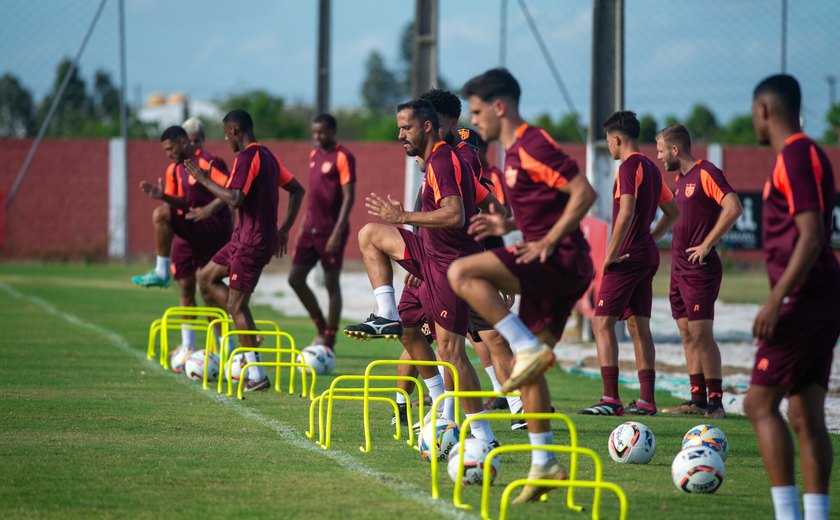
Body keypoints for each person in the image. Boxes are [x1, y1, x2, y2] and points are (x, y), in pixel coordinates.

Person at [449, 67, 597, 504]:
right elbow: (544, 205)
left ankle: (524, 344)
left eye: (476, 113)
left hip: (560, 260)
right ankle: (545, 463)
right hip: (555, 266)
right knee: (526, 370)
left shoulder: (533, 143)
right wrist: (507, 221)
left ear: (500, 107)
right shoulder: (511, 155)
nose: (474, 123)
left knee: (461, 273)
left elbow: (583, 193)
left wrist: (548, 240)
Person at [343, 98, 498, 446]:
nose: (400, 134)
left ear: (427, 126)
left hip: (451, 265)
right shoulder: (433, 162)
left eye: (406, 127)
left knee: (452, 352)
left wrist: (404, 218)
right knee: (369, 234)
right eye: (399, 127)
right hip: (430, 254)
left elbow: (455, 215)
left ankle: (483, 436)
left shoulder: (444, 160)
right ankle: (386, 314)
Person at [744, 74, 839, 520]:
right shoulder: (799, 154)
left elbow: (811, 234)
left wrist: (776, 299)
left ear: (763, 110)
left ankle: (788, 514)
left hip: (805, 298)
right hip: (818, 297)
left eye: (752, 111)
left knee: (758, 403)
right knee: (804, 414)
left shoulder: (797, 154)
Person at [185, 109, 306, 392]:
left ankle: (257, 375)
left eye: (226, 134)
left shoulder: (248, 157)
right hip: (243, 238)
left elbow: (236, 199)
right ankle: (245, 328)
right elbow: (297, 190)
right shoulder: (269, 157)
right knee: (205, 278)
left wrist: (203, 180)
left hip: (252, 242)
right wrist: (284, 229)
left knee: (237, 306)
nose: (226, 140)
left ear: (236, 130)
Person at [579, 110, 680, 417]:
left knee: (601, 322)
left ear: (617, 139)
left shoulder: (628, 168)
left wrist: (610, 253)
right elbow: (673, 212)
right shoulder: (651, 168)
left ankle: (610, 398)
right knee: (639, 326)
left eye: (609, 141)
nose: (609, 147)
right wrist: (650, 236)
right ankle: (647, 400)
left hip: (627, 255)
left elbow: (625, 213)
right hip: (645, 253)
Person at [655, 124, 742, 418]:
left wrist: (707, 243)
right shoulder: (679, 181)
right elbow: (672, 218)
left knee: (701, 333)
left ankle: (716, 403)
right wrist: (648, 239)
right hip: (678, 270)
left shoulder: (707, 172)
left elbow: (733, 207)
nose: (659, 156)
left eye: (660, 150)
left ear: (675, 150)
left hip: (700, 269)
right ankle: (697, 399)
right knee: (685, 332)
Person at [132, 125, 232, 363]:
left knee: (162, 215)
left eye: (169, 149)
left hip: (212, 229)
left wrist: (208, 210)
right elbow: (184, 200)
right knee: (194, 288)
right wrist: (162, 195)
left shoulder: (208, 161)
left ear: (183, 143)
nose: (167, 154)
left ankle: (229, 349)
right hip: (189, 229)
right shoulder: (177, 168)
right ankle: (195, 347)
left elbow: (231, 190)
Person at [288, 114, 355, 351]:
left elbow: (349, 197)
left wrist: (337, 232)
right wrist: (301, 228)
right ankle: (320, 326)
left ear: (333, 131)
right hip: (310, 229)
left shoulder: (343, 156)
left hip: (331, 231)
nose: (317, 137)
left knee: (330, 283)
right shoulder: (314, 155)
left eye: (322, 132)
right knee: (295, 279)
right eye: (314, 132)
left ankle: (330, 337)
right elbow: (314, 196)